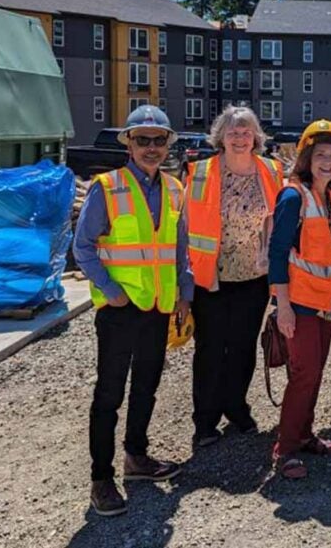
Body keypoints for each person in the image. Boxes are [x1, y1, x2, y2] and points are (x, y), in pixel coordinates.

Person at [73, 105, 191, 517]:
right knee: (109, 394)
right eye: (143, 140)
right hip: (121, 309)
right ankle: (101, 479)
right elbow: (82, 247)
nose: (152, 148)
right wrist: (110, 290)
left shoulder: (175, 189)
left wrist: (184, 293)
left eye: (159, 140)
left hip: (157, 306)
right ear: (129, 143)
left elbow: (179, 250)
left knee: (146, 387)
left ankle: (136, 458)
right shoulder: (108, 188)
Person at [185, 106, 283, 447]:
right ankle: (205, 421)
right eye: (233, 132)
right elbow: (183, 227)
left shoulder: (271, 171)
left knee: (242, 347)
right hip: (211, 278)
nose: (240, 138)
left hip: (254, 277)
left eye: (246, 132)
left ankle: (236, 407)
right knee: (211, 349)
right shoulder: (199, 173)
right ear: (220, 137)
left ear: (255, 137)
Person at [269, 120, 331, 479]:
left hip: (328, 303)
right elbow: (277, 255)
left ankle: (304, 435)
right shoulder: (294, 197)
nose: (327, 162)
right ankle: (285, 449)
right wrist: (283, 306)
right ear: (306, 158)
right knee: (303, 374)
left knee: (316, 374)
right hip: (301, 304)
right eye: (320, 155)